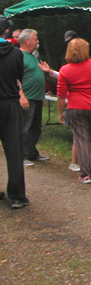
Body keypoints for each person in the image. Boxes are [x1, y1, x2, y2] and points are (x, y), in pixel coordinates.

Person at [56, 38, 91, 184]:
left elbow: (61, 94)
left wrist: (60, 112)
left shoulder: (65, 70)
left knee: (82, 139)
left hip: (76, 106)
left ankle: (86, 173)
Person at [0, 16, 30, 209]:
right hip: (9, 103)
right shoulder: (17, 54)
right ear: (7, 32)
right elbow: (18, 78)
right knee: (14, 149)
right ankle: (17, 195)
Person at [19, 29, 54, 166]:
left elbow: (36, 74)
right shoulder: (19, 56)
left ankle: (32, 152)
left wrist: (42, 94)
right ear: (26, 40)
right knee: (25, 127)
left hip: (37, 97)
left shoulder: (33, 56)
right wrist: (21, 95)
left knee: (36, 127)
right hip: (27, 97)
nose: (37, 41)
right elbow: (15, 78)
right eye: (35, 39)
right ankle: (21, 155)